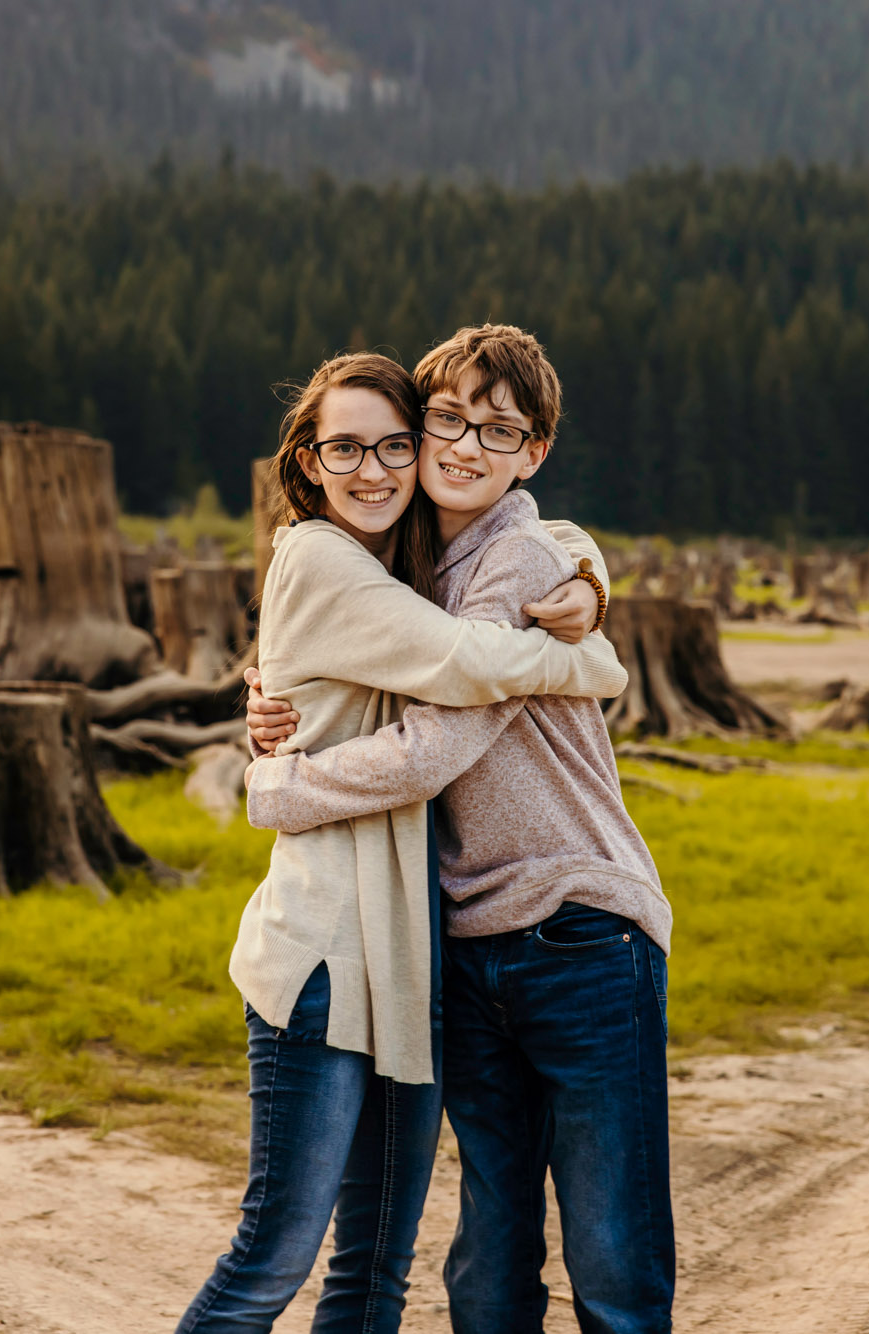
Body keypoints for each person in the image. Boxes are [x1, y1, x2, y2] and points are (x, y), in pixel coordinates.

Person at [177, 350, 624, 1334]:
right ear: (305, 461)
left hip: (406, 958)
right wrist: (590, 658)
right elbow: (463, 661)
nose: (374, 469)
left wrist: (589, 574)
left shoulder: (398, 556)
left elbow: (538, 525)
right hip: (326, 951)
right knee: (271, 1257)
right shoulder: (320, 558)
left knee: (374, 1267)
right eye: (345, 447)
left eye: (394, 443)